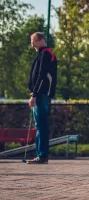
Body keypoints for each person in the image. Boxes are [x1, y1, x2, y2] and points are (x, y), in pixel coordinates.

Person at [27, 32, 58, 164]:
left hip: (42, 95)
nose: (32, 44)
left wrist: (35, 94)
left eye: (33, 41)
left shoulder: (46, 54)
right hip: (40, 93)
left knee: (41, 125)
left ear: (40, 40)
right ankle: (41, 155)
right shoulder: (43, 54)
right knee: (40, 125)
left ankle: (42, 155)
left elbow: (42, 76)